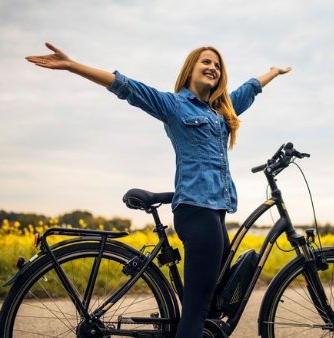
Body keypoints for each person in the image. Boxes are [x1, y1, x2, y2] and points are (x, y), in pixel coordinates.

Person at [26, 42, 291, 338]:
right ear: (190, 69)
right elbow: (126, 87)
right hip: (196, 212)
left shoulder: (222, 113)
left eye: (217, 65)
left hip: (215, 214)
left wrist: (272, 72)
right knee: (197, 310)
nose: (213, 68)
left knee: (210, 304)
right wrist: (72, 65)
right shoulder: (174, 105)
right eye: (206, 62)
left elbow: (249, 89)